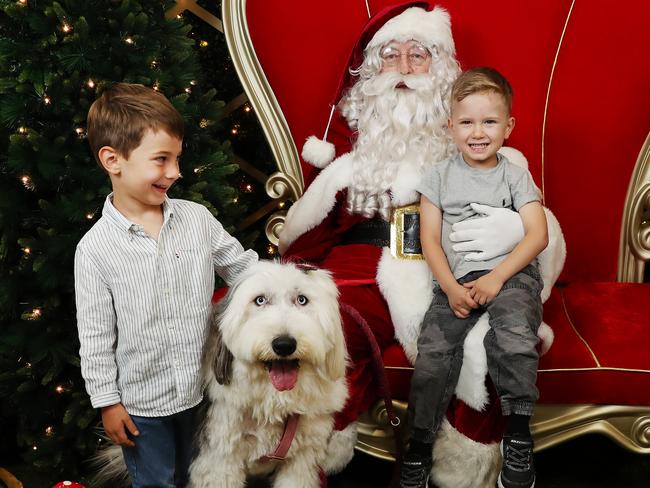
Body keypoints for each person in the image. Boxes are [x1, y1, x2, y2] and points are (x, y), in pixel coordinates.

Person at [279, 2, 565, 487]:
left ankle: (465, 469)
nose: (406, 69)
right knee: (326, 332)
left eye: (420, 55)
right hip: (360, 265)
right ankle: (313, 459)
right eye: (392, 56)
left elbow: (544, 232)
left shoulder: (483, 148)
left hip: (452, 264)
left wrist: (515, 230)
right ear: (371, 72)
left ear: (443, 71)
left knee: (488, 342)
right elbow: (305, 237)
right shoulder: (351, 165)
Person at [74, 83, 258, 488]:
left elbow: (244, 270)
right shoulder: (94, 251)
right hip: (142, 405)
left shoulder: (196, 220)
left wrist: (284, 294)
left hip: (202, 391)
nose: (175, 172)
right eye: (161, 160)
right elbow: (96, 335)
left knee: (203, 474)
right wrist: (107, 402)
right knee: (157, 481)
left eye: (177, 158)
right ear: (113, 160)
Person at [399, 67, 546, 488]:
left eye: (489, 121)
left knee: (515, 336)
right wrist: (449, 287)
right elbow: (429, 240)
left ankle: (517, 435)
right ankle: (420, 446)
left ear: (508, 126)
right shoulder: (439, 177)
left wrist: (497, 278)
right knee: (433, 353)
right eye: (466, 121)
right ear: (450, 126)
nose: (477, 132)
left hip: (511, 275)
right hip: (456, 279)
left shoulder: (514, 175)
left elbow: (538, 235)